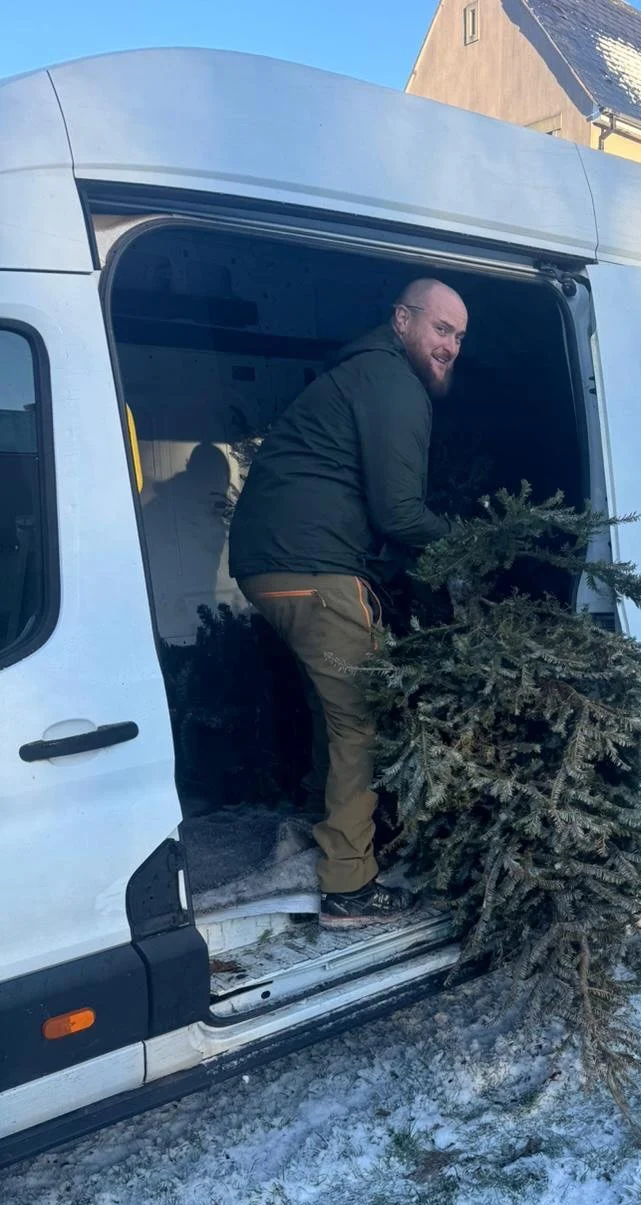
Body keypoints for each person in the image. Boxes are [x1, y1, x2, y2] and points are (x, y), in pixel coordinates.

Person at [229, 279, 469, 927]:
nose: (449, 345)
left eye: (458, 336)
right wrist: (469, 545)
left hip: (274, 564)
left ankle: (327, 828)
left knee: (331, 709)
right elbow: (398, 511)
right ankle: (349, 886)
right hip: (313, 568)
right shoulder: (394, 384)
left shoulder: (360, 374)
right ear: (401, 319)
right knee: (362, 721)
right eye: (440, 328)